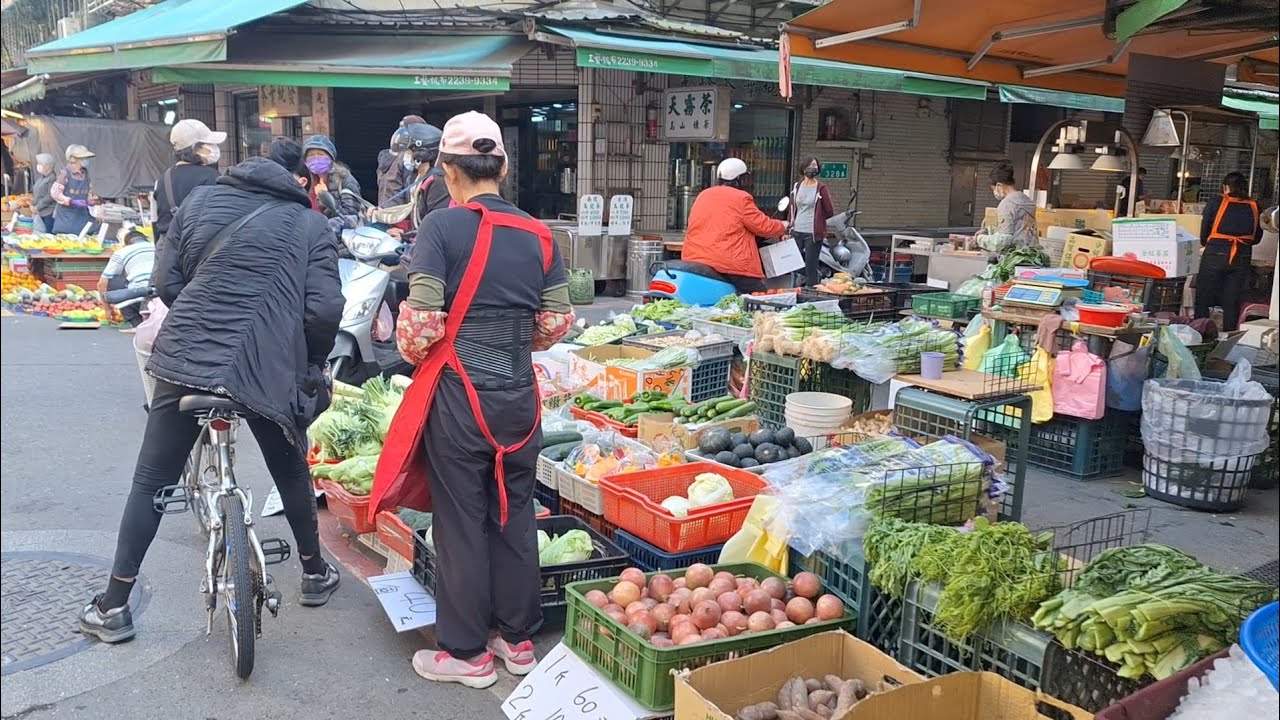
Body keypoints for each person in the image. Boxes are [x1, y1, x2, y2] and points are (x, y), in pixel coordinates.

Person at [78, 156, 344, 644]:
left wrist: (204, 323)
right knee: (289, 468)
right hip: (265, 367)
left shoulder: (199, 202)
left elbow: (166, 283)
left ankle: (114, 604)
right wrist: (310, 363)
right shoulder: (310, 223)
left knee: (152, 480)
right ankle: (313, 572)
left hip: (186, 355)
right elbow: (324, 309)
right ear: (296, 183)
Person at [368, 111, 574, 689]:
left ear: (447, 170)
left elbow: (419, 326)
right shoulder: (538, 233)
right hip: (519, 399)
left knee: (461, 521)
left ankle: (466, 653)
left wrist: (435, 346)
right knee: (513, 514)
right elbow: (556, 321)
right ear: (502, 167)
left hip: (461, 397)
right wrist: (511, 338)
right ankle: (518, 641)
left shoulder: (441, 226)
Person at [681, 158, 788, 294]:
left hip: (695, 258)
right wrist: (783, 225)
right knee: (761, 297)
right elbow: (763, 226)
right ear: (739, 179)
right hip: (727, 262)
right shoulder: (741, 198)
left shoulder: (703, 195)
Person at [1195, 171, 1262, 332]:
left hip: (1215, 254)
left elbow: (1205, 230)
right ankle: (1229, 335)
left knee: (1203, 296)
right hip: (1242, 256)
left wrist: (1207, 242)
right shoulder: (1255, 205)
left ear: (1225, 187)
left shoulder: (1216, 201)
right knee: (1232, 300)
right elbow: (1257, 237)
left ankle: (1201, 332)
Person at [153, 119, 224, 246]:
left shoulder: (163, 178)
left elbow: (155, 219)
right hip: (197, 246)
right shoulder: (212, 177)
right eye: (208, 144)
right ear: (194, 148)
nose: (214, 149)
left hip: (167, 246)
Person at [97, 228, 155, 329]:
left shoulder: (122, 252)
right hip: (161, 293)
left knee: (113, 280)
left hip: (136, 295)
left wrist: (107, 310)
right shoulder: (158, 247)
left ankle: (136, 322)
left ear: (126, 244)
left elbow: (102, 283)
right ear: (146, 239)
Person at [791, 156, 836, 286]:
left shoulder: (821, 188)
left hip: (813, 233)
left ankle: (812, 290)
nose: (813, 168)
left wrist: (818, 221)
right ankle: (814, 278)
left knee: (811, 264)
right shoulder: (797, 186)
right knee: (793, 262)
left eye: (815, 165)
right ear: (803, 168)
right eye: (810, 165)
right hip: (797, 230)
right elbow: (792, 208)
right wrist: (789, 226)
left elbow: (829, 211)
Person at [302, 135, 363, 230]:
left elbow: (350, 217)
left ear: (331, 157)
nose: (316, 158)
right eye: (311, 155)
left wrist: (325, 198)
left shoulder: (343, 179)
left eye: (320, 154)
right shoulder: (305, 181)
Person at [984, 160, 1037, 249]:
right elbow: (1017, 228)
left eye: (993, 189)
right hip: (1032, 254)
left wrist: (980, 239)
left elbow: (1003, 240)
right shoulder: (1026, 200)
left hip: (1015, 256)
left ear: (999, 186)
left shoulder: (1007, 204)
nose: (994, 192)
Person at [377, 114, 426, 205]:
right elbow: (410, 191)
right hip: (401, 214)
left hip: (384, 211)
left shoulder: (385, 156)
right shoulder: (407, 157)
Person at [50, 144, 96, 234]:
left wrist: (90, 200)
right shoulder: (64, 174)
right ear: (73, 159)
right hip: (66, 217)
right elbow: (55, 193)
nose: (86, 161)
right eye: (83, 158)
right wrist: (69, 201)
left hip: (82, 215)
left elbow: (89, 190)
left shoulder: (85, 173)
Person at [32, 153, 57, 232]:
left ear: (48, 166)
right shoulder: (42, 177)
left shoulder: (53, 178)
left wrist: (37, 207)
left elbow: (50, 196)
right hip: (40, 212)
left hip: (48, 213)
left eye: (40, 164)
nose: (38, 166)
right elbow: (37, 192)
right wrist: (32, 203)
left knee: (47, 235)